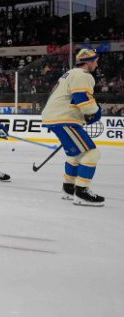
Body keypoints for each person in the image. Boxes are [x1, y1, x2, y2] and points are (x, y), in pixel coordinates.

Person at [41, 48, 105, 206]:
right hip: (64, 118)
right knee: (92, 153)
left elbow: (73, 99)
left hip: (58, 117)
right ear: (88, 61)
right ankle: (81, 192)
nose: (96, 64)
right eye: (95, 61)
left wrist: (84, 116)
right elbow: (82, 98)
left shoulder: (71, 74)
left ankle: (69, 188)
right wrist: (95, 112)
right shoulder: (82, 75)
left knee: (76, 155)